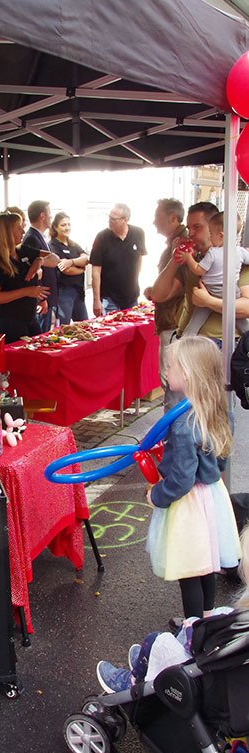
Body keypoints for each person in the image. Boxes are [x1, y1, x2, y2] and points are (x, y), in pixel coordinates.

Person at [145, 336, 241, 623]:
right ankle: (207, 622)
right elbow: (221, 460)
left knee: (190, 571)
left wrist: (157, 495)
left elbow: (182, 479)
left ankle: (193, 632)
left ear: (188, 374)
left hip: (189, 505)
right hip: (212, 496)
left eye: (171, 366)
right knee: (207, 564)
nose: (166, 371)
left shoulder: (183, 423)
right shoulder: (220, 413)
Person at [96, 528, 249, 693]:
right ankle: (150, 660)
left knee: (156, 640)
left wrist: (193, 630)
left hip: (202, 673)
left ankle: (133, 682)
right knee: (205, 575)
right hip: (225, 665)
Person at [0, 212, 55, 344]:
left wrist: (40, 261)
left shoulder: (23, 251)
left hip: (29, 318)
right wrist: (27, 291)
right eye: (19, 228)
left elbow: (54, 258)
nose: (23, 231)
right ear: (7, 233)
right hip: (8, 323)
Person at [143, 198, 187, 409]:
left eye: (157, 217)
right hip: (173, 320)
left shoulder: (182, 244)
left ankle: (176, 439)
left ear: (172, 218)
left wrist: (157, 292)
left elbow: (172, 289)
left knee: (173, 385)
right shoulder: (175, 243)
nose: (153, 222)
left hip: (174, 322)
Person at [178, 211, 249, 337]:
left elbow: (198, 270)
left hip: (210, 290)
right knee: (242, 322)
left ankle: (186, 338)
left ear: (221, 236)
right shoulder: (240, 252)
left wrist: (188, 258)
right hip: (232, 292)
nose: (210, 237)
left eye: (211, 233)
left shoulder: (213, 253)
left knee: (196, 320)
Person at [90, 203, 147, 316]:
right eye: (109, 217)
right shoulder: (102, 237)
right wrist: (96, 300)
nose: (109, 221)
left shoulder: (138, 233)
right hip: (109, 298)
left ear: (125, 220)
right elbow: (95, 271)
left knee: (130, 330)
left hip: (131, 297)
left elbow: (139, 261)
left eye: (113, 219)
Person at [22, 200, 59, 332]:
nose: (51, 218)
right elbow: (33, 272)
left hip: (48, 297)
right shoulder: (32, 238)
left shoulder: (40, 237)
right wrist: (41, 300)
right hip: (42, 299)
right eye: (50, 214)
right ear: (42, 216)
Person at [48, 212, 89, 323]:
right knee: (63, 327)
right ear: (55, 227)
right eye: (63, 225)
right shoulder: (53, 246)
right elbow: (66, 270)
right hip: (64, 292)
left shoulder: (73, 245)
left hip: (79, 292)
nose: (67, 228)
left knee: (84, 324)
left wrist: (71, 261)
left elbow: (86, 259)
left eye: (68, 225)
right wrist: (80, 268)